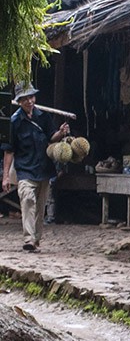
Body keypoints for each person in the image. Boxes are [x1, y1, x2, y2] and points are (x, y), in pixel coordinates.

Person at [1, 82, 70, 251]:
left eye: (31, 97)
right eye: (24, 99)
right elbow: (9, 150)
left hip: (44, 167)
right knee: (28, 199)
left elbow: (51, 137)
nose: (29, 101)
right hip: (25, 169)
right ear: (19, 102)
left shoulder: (43, 117)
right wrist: (6, 176)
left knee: (40, 206)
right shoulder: (15, 122)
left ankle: (36, 239)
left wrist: (61, 133)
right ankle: (28, 238)